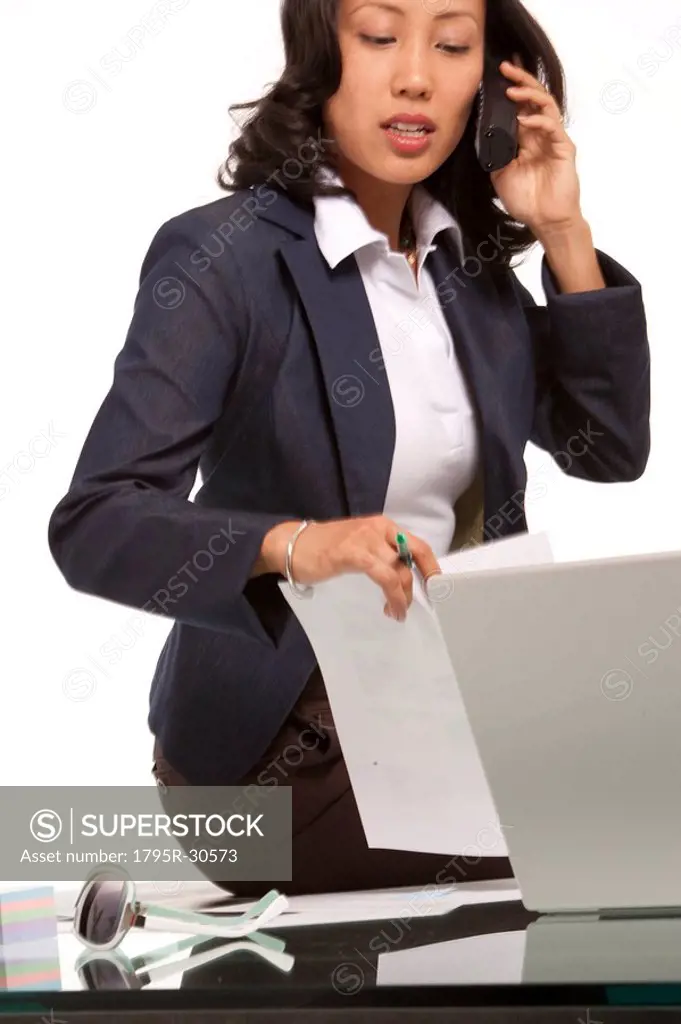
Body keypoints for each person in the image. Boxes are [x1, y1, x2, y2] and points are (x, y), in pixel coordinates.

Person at [47, 0, 651, 896]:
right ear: (320, 55)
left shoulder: (460, 268)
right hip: (282, 748)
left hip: (457, 714)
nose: (415, 74)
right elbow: (96, 521)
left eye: (451, 46)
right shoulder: (224, 258)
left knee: (633, 814)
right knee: (606, 846)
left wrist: (563, 233)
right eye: (379, 36)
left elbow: (605, 448)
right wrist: (296, 544)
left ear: (489, 86)